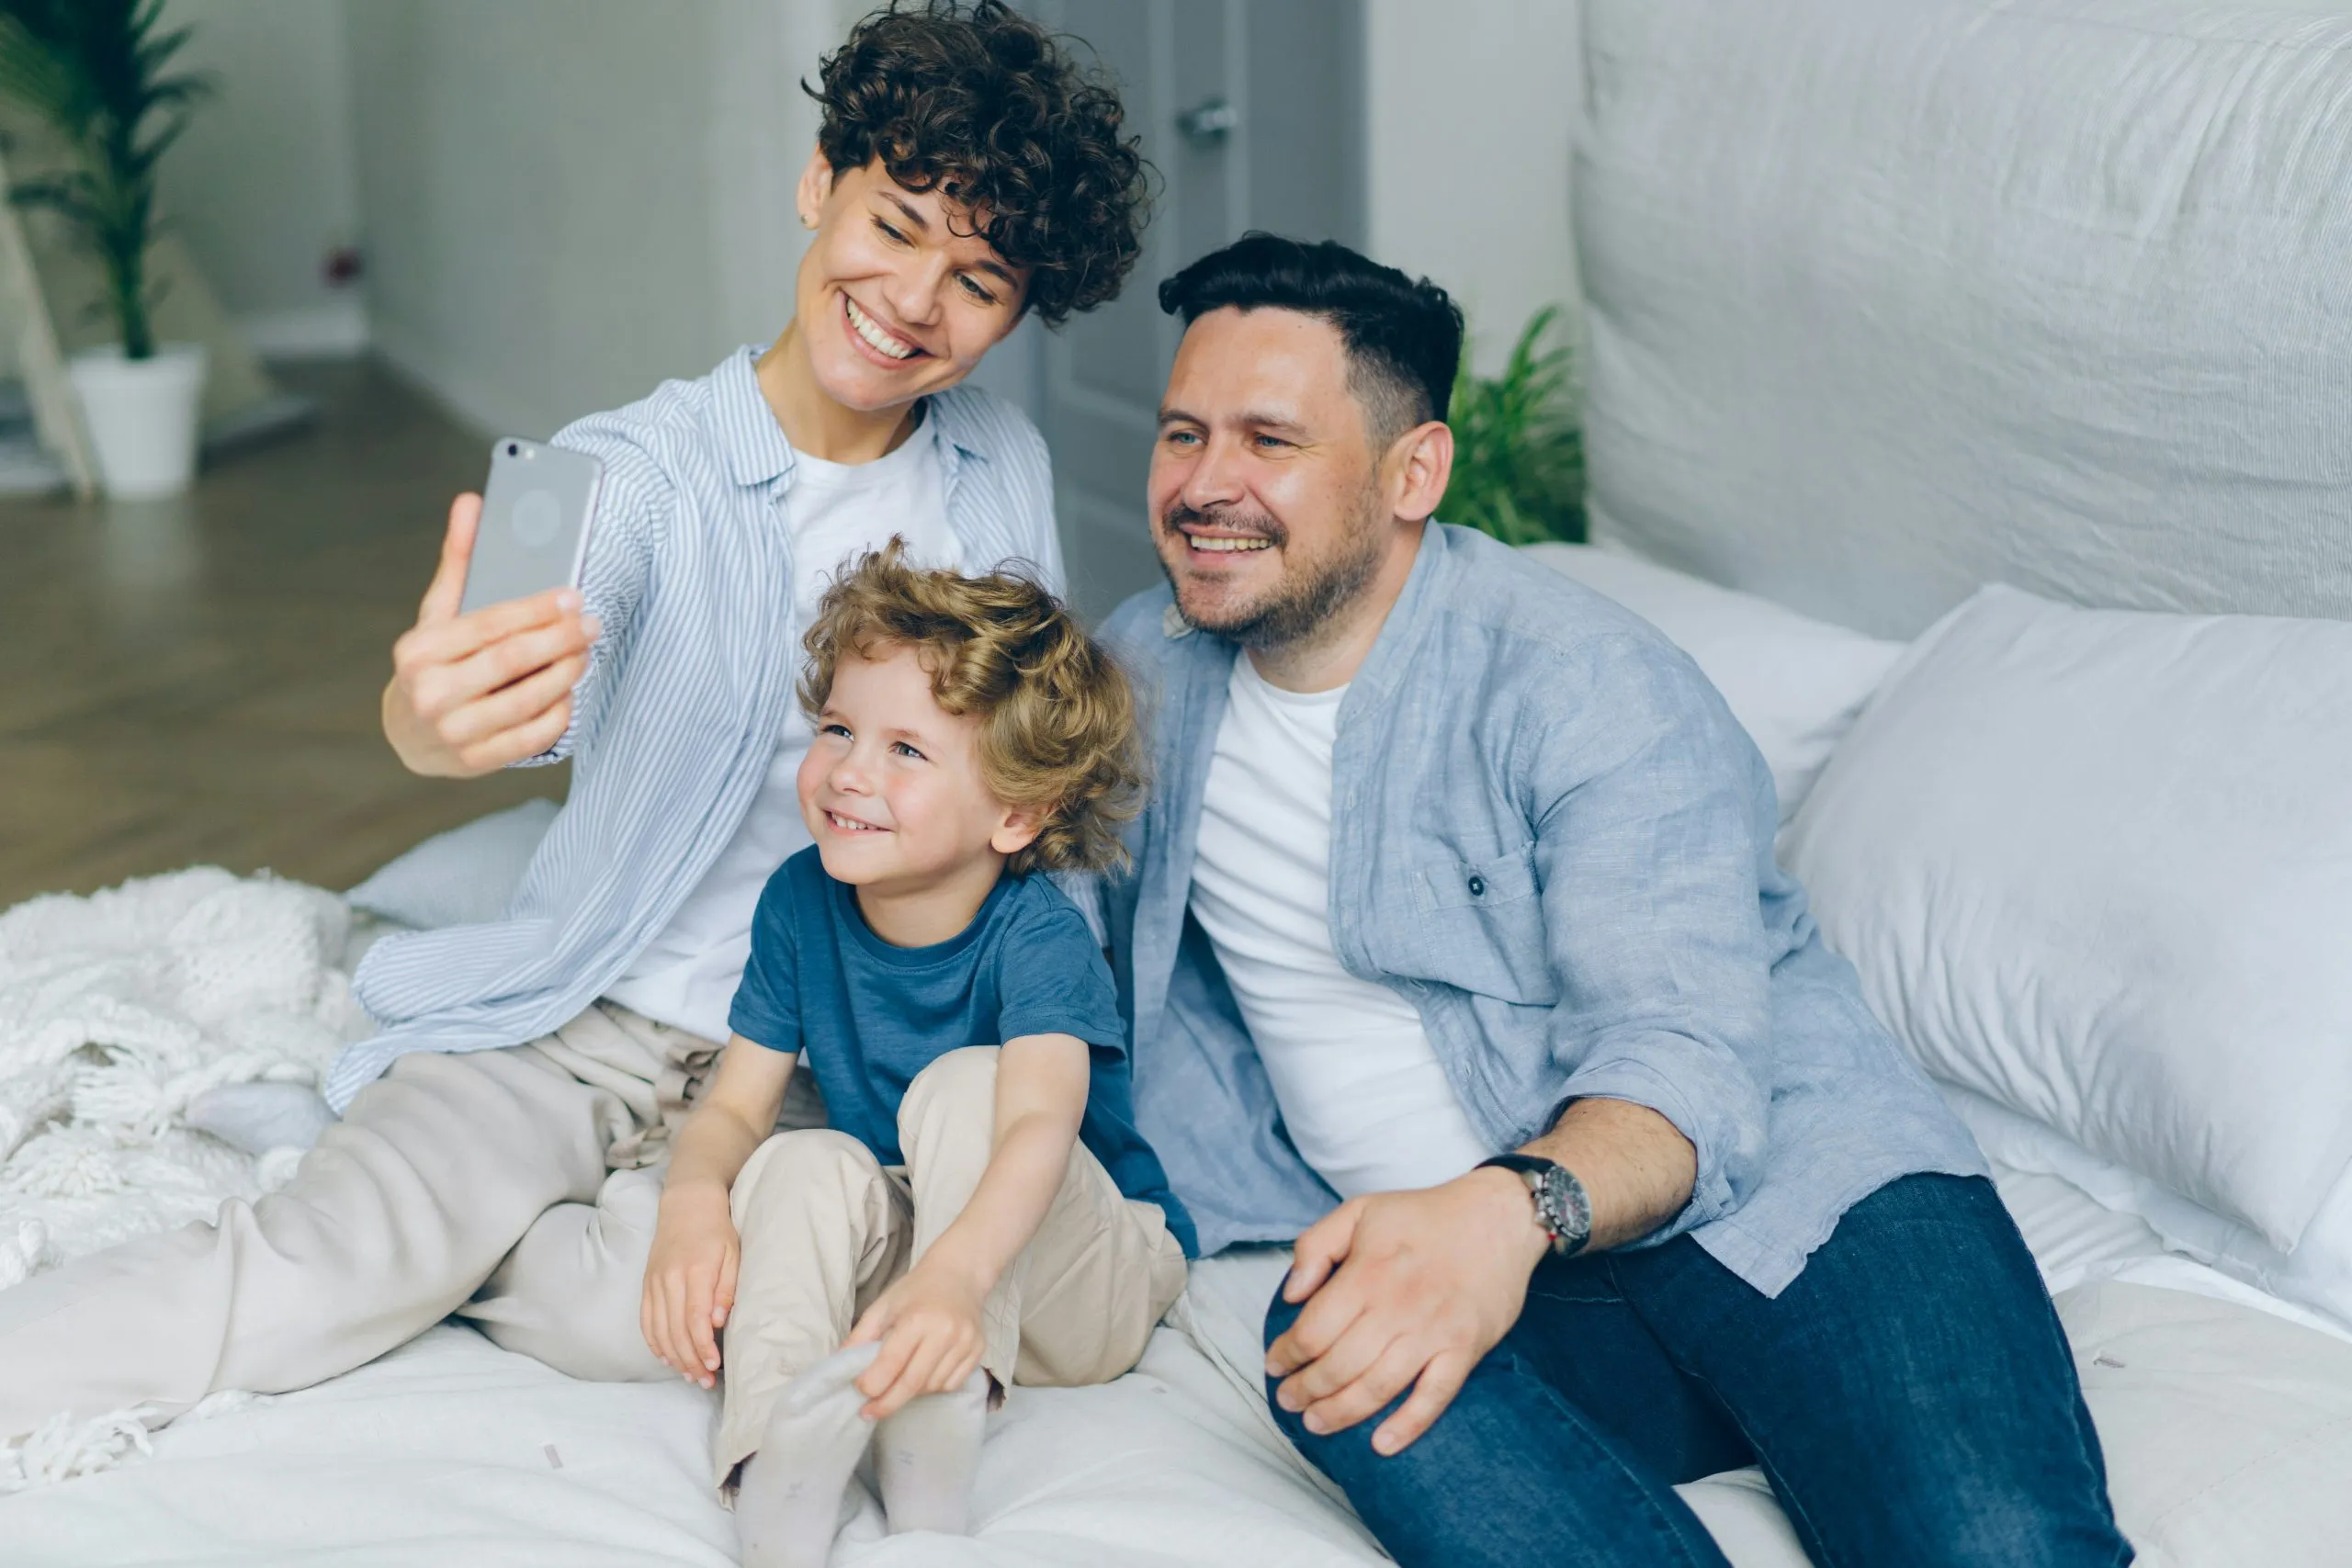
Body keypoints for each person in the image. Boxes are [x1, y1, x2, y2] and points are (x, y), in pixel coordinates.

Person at [0, 0, 1148, 1435]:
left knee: (704, 1322)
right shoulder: (622, 469)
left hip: (816, 1056)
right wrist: (438, 711)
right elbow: (484, 682)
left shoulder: (1001, 468)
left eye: (977, 279)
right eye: (896, 221)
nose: (918, 299)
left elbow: (1010, 761)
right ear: (818, 182)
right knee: (320, 1276)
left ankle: (480, 1236)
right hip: (585, 1019)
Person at [1091, 233, 2134, 1568]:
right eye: (1185, 432)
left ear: (1415, 472)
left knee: (1996, 1548)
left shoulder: (1584, 683)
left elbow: (1684, 1059)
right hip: (1503, 1292)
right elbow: (1020, 941)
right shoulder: (1136, 680)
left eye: (1269, 440)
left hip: (1803, 1206)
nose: (1204, 484)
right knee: (1330, 1354)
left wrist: (1497, 1213)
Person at [638, 546, 1192, 1567]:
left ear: (1015, 815)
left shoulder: (1036, 937)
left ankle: (935, 1418)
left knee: (969, 1086)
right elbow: (732, 1106)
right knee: (795, 1161)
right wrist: (690, 1206)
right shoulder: (801, 901)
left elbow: (1036, 1127)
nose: (850, 771)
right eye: (840, 729)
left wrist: (954, 1284)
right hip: (922, 1254)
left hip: (1076, 1278)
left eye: (906, 751)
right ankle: (775, 1467)